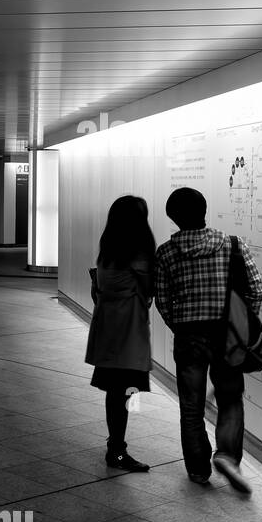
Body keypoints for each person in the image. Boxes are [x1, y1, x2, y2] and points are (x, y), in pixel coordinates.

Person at [154, 187, 262, 492]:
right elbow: (256, 289)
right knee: (230, 398)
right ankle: (227, 455)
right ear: (204, 210)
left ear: (173, 217)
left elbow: (162, 301)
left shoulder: (165, 253)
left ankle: (199, 470)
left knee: (191, 407)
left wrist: (179, 326)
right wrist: (241, 326)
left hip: (189, 337)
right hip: (227, 336)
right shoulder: (232, 245)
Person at [86, 196, 156, 472]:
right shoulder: (138, 256)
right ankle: (116, 450)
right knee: (124, 391)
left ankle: (115, 445)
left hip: (108, 331)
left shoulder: (108, 252)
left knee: (116, 392)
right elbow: (150, 290)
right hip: (128, 335)